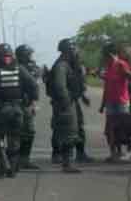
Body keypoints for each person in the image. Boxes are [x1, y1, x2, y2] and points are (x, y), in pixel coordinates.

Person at [0, 43, 38, 179]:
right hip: (18, 110)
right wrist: (29, 100)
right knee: (14, 140)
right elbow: (34, 86)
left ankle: (4, 163)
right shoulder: (20, 69)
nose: (7, 58)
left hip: (2, 110)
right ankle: (11, 169)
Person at [49, 38, 82, 173]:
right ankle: (67, 163)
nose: (76, 51)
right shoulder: (62, 66)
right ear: (68, 50)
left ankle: (66, 161)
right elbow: (60, 86)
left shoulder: (66, 64)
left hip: (65, 103)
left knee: (67, 132)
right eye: (73, 49)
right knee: (70, 132)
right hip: (65, 104)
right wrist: (67, 101)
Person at [99, 42, 131, 163]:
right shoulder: (108, 66)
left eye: (104, 54)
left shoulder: (121, 64)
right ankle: (114, 153)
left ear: (109, 54)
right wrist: (102, 105)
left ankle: (129, 150)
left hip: (122, 102)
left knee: (124, 128)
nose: (103, 57)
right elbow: (107, 87)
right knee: (110, 129)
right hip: (110, 102)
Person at [15, 44, 40, 170]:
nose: (31, 56)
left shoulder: (30, 67)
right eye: (29, 54)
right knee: (20, 133)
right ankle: (17, 160)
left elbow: (36, 80)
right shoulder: (17, 68)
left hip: (26, 104)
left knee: (29, 132)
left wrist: (33, 103)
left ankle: (24, 159)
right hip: (19, 104)